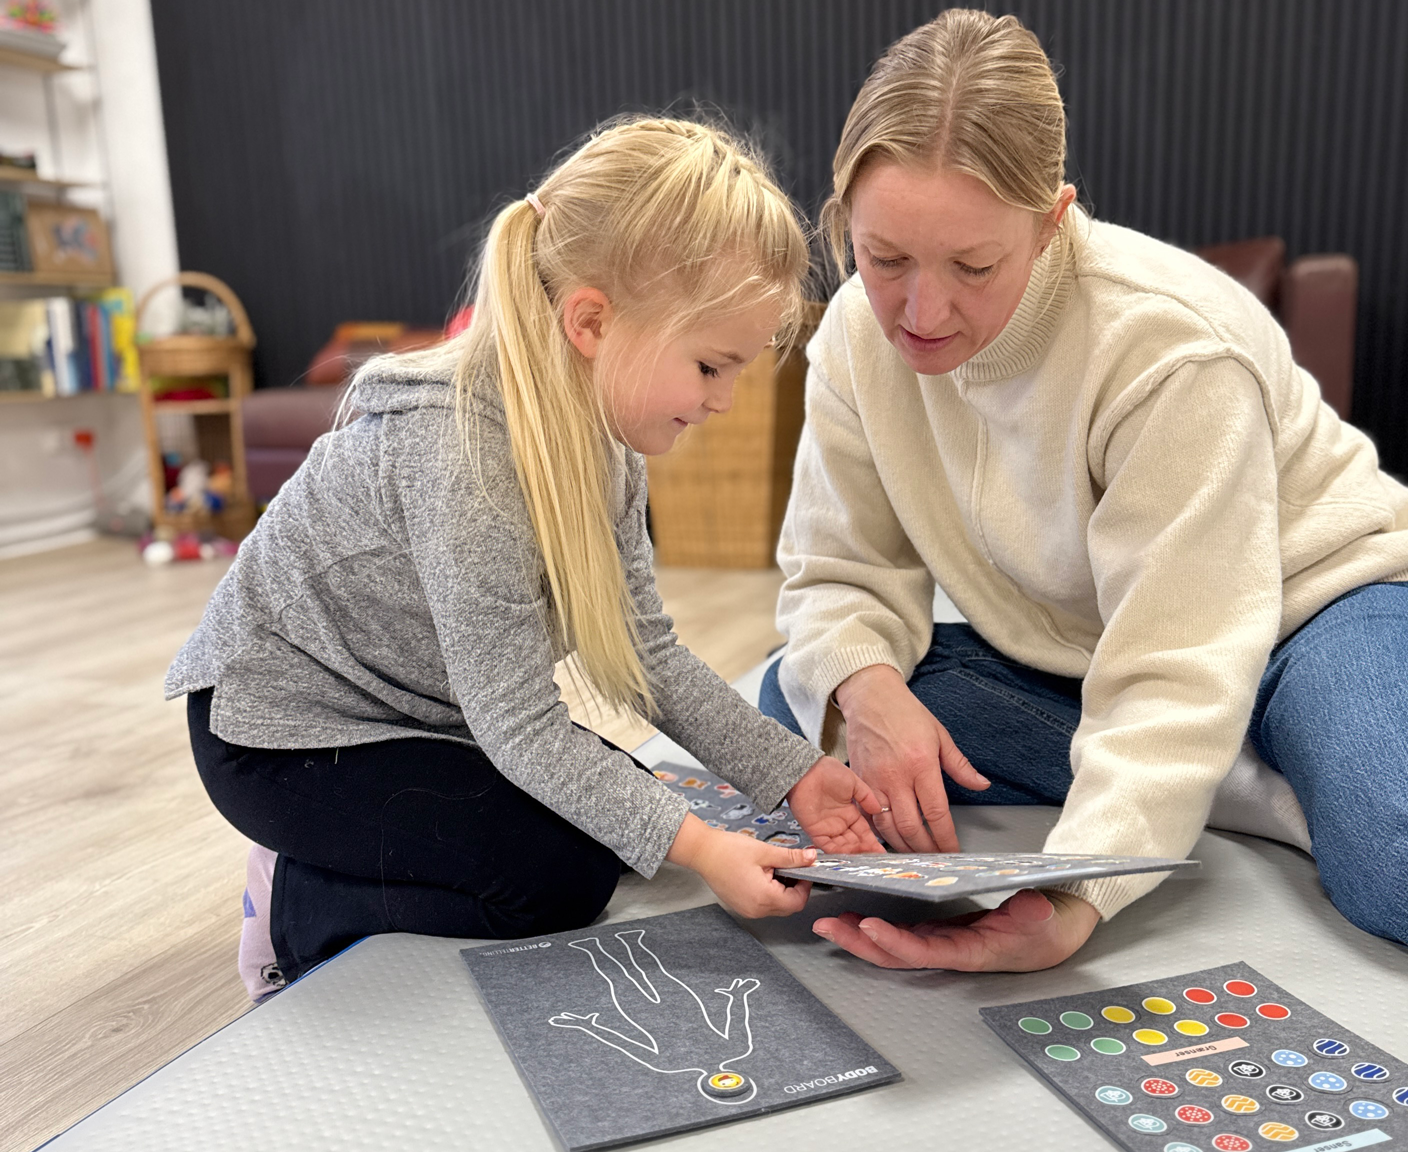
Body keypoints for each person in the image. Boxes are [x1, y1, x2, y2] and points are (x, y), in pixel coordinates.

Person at [761, 9, 1408, 970]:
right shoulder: (853, 341)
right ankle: (1237, 775)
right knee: (800, 707)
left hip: (1316, 611)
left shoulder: (1170, 348)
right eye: (885, 258)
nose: (922, 310)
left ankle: (1257, 773)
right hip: (1092, 649)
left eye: (974, 266)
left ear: (1053, 221)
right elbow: (838, 571)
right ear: (844, 222)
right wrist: (866, 687)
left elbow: (1178, 653)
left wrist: (1077, 894)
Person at [167, 118, 882, 1001]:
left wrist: (795, 772)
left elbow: (647, 655)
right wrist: (703, 849)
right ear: (591, 321)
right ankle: (295, 901)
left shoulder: (607, 447)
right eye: (709, 366)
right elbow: (519, 726)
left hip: (422, 717)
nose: (726, 401)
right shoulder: (461, 459)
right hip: (282, 739)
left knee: (622, 815)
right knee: (555, 880)